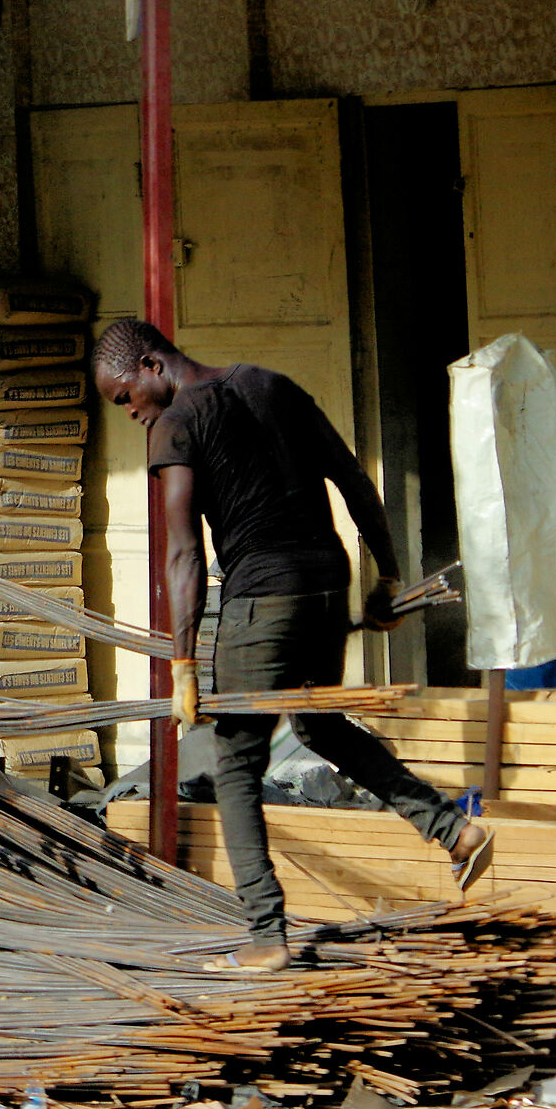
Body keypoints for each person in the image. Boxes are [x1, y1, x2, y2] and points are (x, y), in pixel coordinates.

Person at [93, 318, 492, 971]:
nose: (131, 412)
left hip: (260, 601)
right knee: (321, 726)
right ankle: (452, 829)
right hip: (325, 587)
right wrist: (385, 578)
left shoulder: (176, 425)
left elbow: (184, 556)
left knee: (236, 764)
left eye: (125, 396)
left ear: (149, 364)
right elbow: (356, 484)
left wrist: (185, 660)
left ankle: (266, 934)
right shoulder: (270, 385)